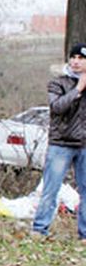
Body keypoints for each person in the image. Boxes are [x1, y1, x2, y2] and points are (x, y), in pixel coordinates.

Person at [36, 44, 86, 242]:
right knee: (51, 187)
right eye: (73, 57)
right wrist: (78, 89)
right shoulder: (58, 83)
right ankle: (40, 229)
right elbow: (56, 107)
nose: (75, 61)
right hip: (61, 143)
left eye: (80, 58)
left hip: (84, 144)